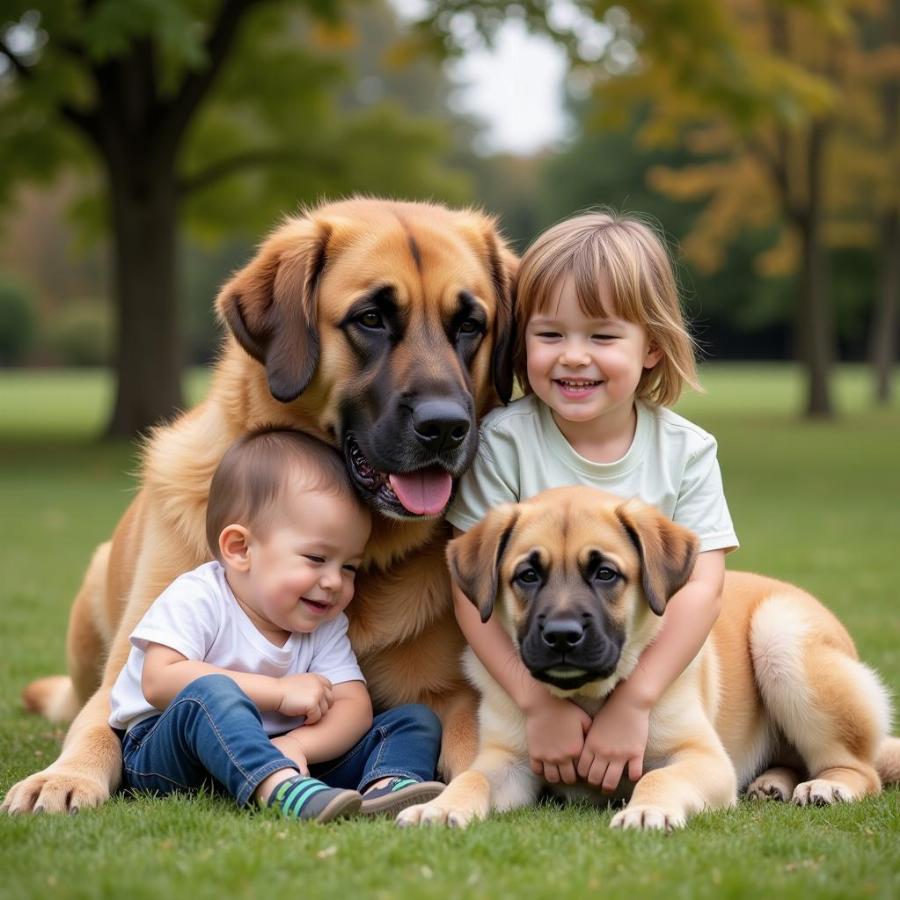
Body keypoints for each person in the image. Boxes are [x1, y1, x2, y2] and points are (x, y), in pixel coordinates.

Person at [447, 211, 738, 795]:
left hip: (658, 673)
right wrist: (535, 706)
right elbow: (468, 588)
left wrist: (636, 702)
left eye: (602, 336)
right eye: (550, 334)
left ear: (652, 346)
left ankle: (840, 767)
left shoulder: (686, 450)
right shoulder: (502, 442)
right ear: (521, 339)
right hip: (527, 680)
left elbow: (703, 589)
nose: (574, 356)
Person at [109, 428, 444, 823]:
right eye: (316, 558)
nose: (335, 582)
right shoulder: (199, 597)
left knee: (412, 719)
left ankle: (386, 785)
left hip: (279, 748)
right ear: (241, 549)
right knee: (211, 693)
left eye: (349, 566)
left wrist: (299, 745)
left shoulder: (323, 623)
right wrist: (278, 692)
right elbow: (159, 680)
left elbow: (354, 706)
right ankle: (277, 788)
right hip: (169, 757)